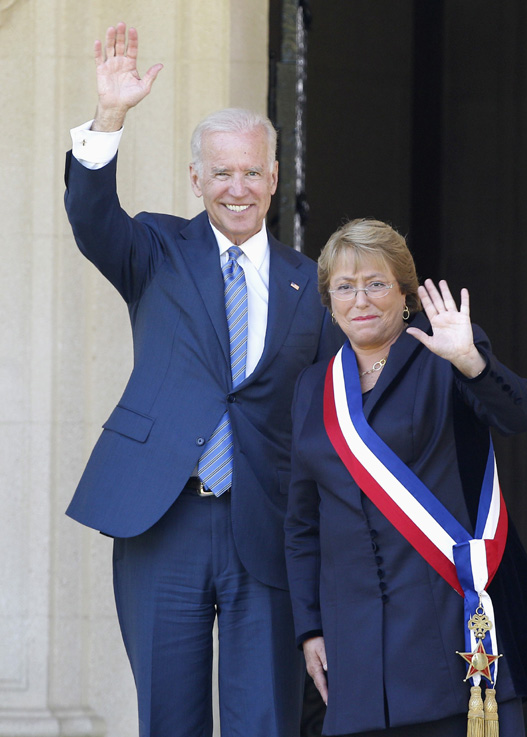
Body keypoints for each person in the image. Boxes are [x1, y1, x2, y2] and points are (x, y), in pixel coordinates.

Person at [64, 22, 341, 737]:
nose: (238, 187)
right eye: (222, 172)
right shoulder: (156, 248)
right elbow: (92, 218)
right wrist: (110, 118)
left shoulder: (312, 286)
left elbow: (345, 407)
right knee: (171, 719)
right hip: (165, 518)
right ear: (197, 178)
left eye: (253, 171)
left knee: (265, 722)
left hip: (267, 523)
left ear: (275, 177)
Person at [285, 219, 527, 737]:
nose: (360, 300)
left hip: (447, 630)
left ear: (405, 293)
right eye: (344, 288)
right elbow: (302, 524)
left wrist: (469, 359)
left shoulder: (444, 353)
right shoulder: (314, 387)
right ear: (329, 302)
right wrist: (310, 628)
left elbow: (524, 415)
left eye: (375, 283)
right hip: (354, 644)